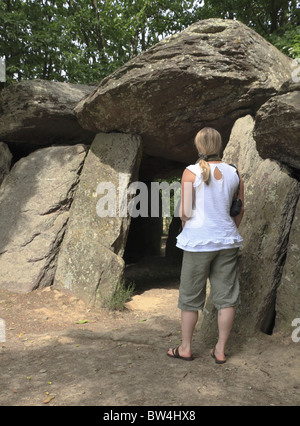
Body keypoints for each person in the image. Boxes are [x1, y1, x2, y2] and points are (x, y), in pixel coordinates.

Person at [167, 127, 244, 364]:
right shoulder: (234, 172)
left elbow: (185, 212)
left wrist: (184, 227)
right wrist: (229, 230)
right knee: (226, 298)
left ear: (199, 147)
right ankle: (220, 350)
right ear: (219, 145)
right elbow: (239, 209)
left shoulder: (190, 172)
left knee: (190, 297)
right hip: (227, 240)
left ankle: (186, 348)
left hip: (198, 242)